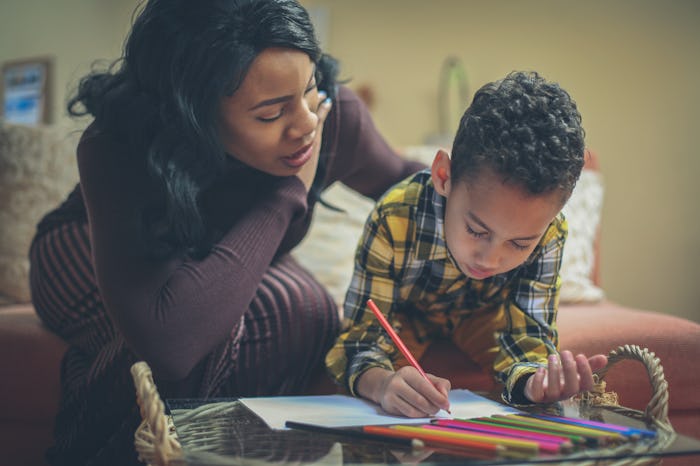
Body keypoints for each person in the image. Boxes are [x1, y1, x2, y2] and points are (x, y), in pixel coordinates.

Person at [28, 0, 424, 464]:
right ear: (192, 116)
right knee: (194, 338)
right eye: (270, 114)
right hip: (90, 250)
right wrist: (286, 193)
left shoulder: (329, 117)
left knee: (306, 312)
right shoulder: (119, 146)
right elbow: (170, 343)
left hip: (220, 262)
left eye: (310, 88)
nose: (306, 124)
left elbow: (408, 183)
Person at [325, 71, 608, 418]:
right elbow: (362, 338)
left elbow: (526, 333)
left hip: (488, 315)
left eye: (520, 243)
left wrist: (534, 383)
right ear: (444, 176)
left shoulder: (550, 233)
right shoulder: (395, 216)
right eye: (476, 230)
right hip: (405, 315)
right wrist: (382, 383)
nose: (491, 259)